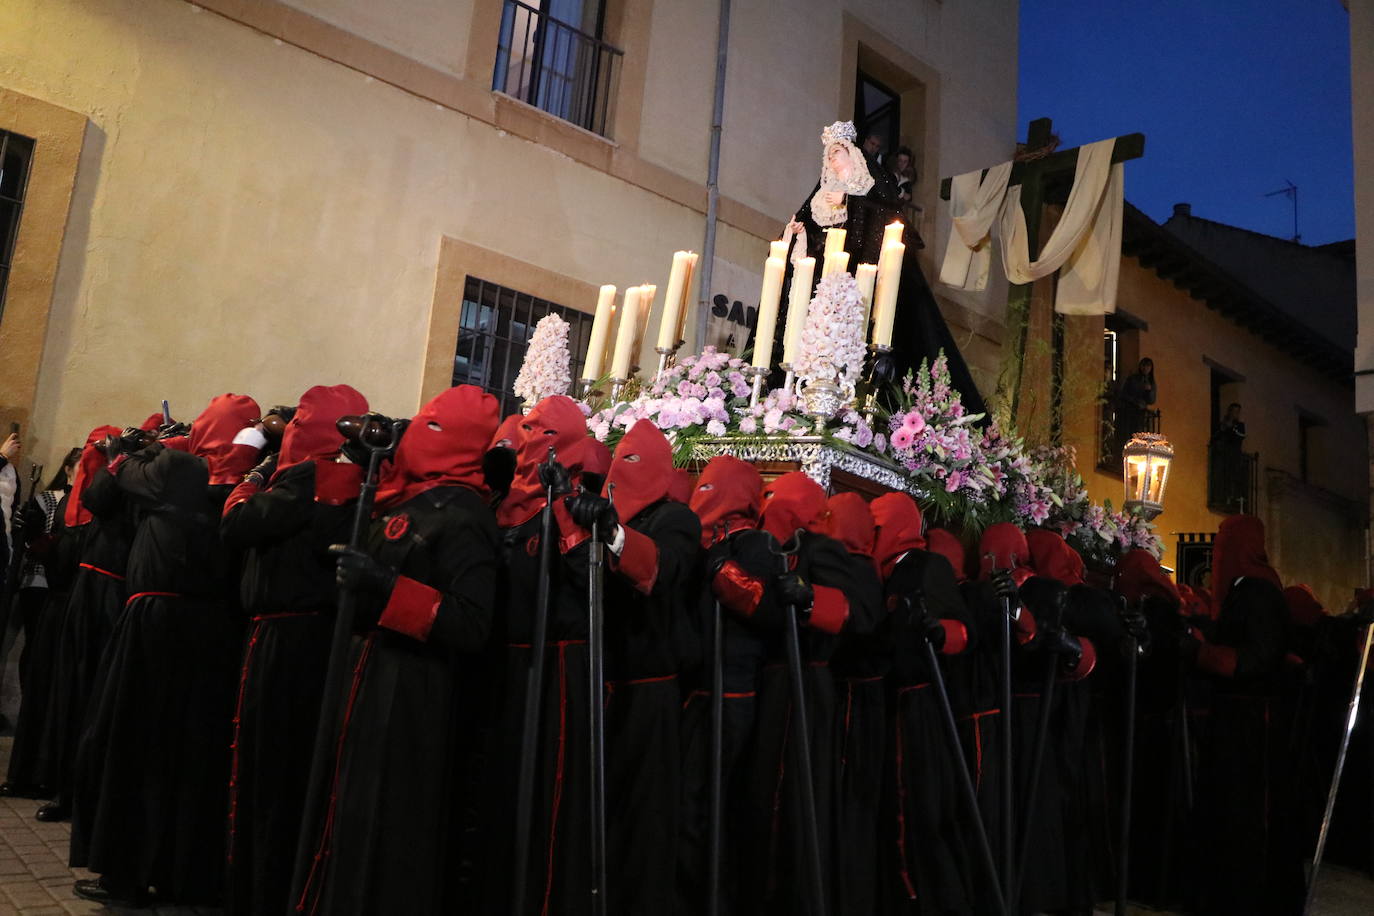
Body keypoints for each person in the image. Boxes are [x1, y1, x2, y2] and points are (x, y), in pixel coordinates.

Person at [293, 385, 501, 915]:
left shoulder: (465, 516)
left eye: (431, 426)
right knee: (350, 810)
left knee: (388, 820)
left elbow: (472, 622)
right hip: (366, 674)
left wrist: (387, 585)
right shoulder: (401, 495)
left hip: (411, 692)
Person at [71, 394, 264, 906]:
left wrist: (133, 447)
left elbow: (105, 493)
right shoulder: (252, 482)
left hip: (156, 623)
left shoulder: (177, 467)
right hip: (215, 632)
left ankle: (125, 875)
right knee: (190, 753)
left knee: (134, 744)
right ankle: (181, 874)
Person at [219, 383, 368, 916]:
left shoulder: (309, 476)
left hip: (286, 640)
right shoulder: (350, 478)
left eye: (302, 419)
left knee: (271, 772)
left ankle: (261, 894)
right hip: (315, 637)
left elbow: (236, 522)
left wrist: (253, 475)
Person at [563, 419, 702, 915]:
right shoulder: (601, 508)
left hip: (648, 690)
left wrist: (615, 534)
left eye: (637, 462)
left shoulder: (676, 519)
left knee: (642, 816)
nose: (624, 471)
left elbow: (665, 570)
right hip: (597, 676)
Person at [1182, 514, 1303, 915]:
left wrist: (1201, 652)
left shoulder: (1258, 592)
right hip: (1237, 721)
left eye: (1222, 543)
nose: (1217, 553)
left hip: (1251, 727)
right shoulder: (1247, 589)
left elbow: (1255, 659)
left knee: (1247, 817)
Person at [869, 493, 979, 915]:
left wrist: (939, 632)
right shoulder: (883, 572)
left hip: (922, 704)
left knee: (923, 811)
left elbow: (964, 632)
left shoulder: (925, 566)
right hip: (899, 701)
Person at [1114, 358, 1157, 455]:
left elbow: (1152, 400)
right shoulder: (1132, 379)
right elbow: (1124, 394)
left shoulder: (1150, 382)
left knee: (1140, 437)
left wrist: (1149, 390)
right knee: (1129, 436)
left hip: (1141, 415)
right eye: (1144, 365)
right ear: (1140, 366)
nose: (1146, 368)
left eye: (1148, 366)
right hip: (1129, 412)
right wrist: (1134, 401)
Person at [1211, 403, 1248, 512]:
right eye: (1234, 411)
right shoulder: (1223, 424)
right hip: (1223, 454)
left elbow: (1241, 436)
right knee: (1223, 476)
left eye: (1238, 412)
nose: (1235, 414)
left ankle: (1230, 498)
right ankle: (1222, 496)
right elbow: (1217, 435)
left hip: (1234, 455)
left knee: (1233, 477)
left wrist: (1231, 428)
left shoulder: (1240, 426)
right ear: (1229, 412)